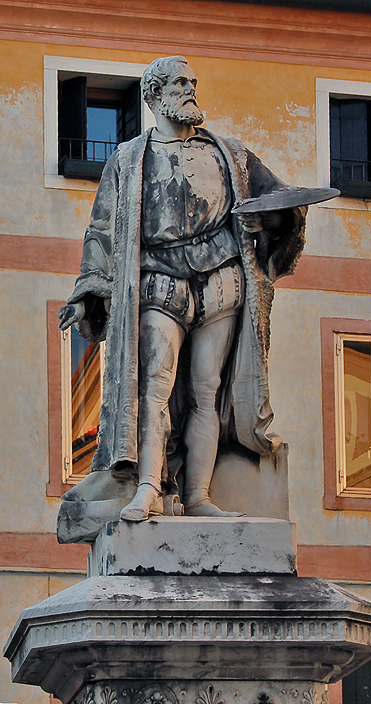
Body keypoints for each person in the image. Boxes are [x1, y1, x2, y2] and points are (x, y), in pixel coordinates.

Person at [59, 55, 306, 522]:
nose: (190, 88)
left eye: (192, 81)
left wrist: (275, 219)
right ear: (153, 95)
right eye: (179, 82)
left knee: (206, 391)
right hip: (158, 279)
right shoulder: (129, 159)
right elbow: (102, 231)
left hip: (221, 278)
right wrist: (89, 289)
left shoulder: (230, 153)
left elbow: (277, 203)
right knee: (153, 386)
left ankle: (198, 496)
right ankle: (149, 489)